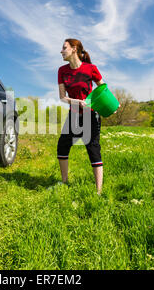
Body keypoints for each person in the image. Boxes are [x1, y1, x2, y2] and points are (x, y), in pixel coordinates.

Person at [57, 38, 105, 195]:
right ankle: (64, 182)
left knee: (93, 148)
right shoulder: (62, 71)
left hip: (91, 114)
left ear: (74, 49)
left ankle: (98, 192)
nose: (61, 51)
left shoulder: (91, 68)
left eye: (64, 48)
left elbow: (102, 89)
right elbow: (62, 97)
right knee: (62, 146)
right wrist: (75, 101)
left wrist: (111, 104)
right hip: (74, 114)